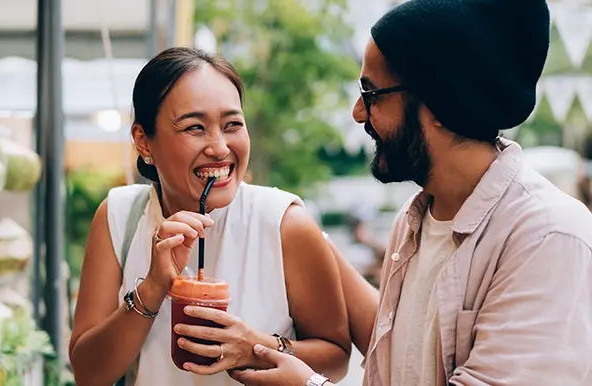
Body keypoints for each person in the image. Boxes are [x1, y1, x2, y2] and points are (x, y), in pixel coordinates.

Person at [231, 0, 592, 385]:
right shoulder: (415, 219)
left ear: (439, 102)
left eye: (371, 95)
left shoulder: (548, 236)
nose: (357, 112)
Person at [68, 47, 351, 386]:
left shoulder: (283, 223)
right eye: (194, 128)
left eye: (232, 124)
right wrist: (154, 287)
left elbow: (336, 360)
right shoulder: (119, 216)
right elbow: (88, 374)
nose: (219, 147)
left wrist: (254, 347)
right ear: (143, 141)